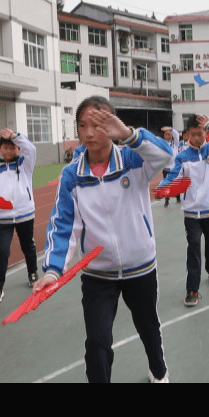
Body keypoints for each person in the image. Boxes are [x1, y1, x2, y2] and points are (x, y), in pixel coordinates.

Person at [36, 96, 173, 383]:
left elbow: (165, 156)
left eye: (98, 125)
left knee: (148, 327)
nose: (88, 133)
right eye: (82, 126)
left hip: (140, 267)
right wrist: (52, 270)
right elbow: (63, 225)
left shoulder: (134, 160)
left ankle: (158, 371)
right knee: (97, 344)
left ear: (112, 126)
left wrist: (129, 135)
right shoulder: (72, 175)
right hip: (98, 275)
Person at [160, 113, 209, 307]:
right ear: (187, 135)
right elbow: (173, 176)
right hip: (191, 213)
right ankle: (192, 288)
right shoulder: (183, 157)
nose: (196, 138)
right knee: (193, 248)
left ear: (206, 133)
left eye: (200, 134)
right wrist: (162, 188)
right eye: (192, 135)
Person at [0, 129, 38, 304]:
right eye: (5, 147)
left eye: (12, 147)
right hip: (3, 219)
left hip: (24, 214)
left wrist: (16, 137)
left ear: (17, 149)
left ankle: (33, 274)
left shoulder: (25, 165)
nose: (8, 151)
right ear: (0, 149)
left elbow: (31, 149)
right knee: (2, 252)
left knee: (28, 246)